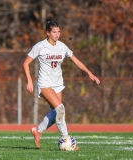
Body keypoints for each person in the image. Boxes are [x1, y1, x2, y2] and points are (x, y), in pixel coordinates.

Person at [23, 21, 100, 150]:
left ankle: (37, 131)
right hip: (44, 83)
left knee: (54, 115)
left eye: (59, 31)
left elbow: (76, 61)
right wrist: (30, 81)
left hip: (58, 84)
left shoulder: (62, 47)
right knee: (60, 109)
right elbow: (26, 64)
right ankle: (67, 139)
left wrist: (89, 72)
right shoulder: (40, 46)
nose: (57, 34)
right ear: (48, 33)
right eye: (54, 32)